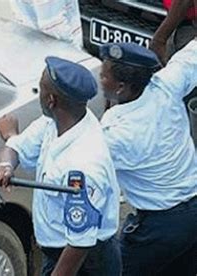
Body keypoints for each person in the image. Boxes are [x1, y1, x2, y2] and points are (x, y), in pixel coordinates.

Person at [0, 57, 121, 276]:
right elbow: (15, 148)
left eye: (40, 88)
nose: (37, 92)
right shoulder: (59, 121)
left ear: (51, 100)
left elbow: (80, 244)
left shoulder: (84, 165)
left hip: (83, 263)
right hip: (59, 249)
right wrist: (5, 165)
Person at [98, 41, 197, 275]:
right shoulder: (165, 86)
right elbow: (192, 55)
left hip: (159, 227)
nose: (100, 78)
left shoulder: (117, 133)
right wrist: (161, 38)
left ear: (121, 87)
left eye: (104, 76)